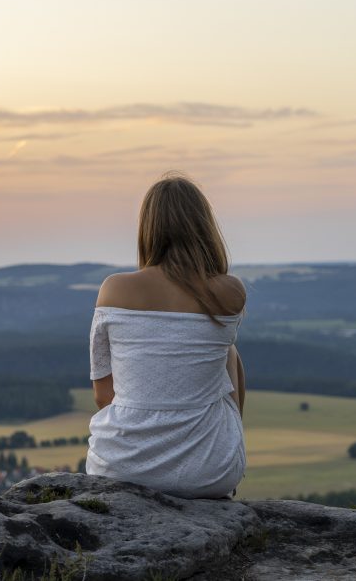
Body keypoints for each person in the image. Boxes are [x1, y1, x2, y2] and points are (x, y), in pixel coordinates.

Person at [86, 171, 247, 499]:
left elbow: (104, 396)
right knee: (229, 353)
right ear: (204, 228)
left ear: (148, 229)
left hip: (120, 467)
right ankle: (222, 457)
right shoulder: (229, 292)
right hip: (210, 472)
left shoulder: (114, 289)